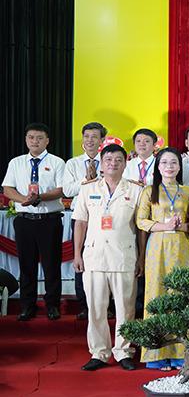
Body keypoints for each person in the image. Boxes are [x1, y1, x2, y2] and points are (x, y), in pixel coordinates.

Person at [72, 144, 144, 371]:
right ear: (101, 164)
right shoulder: (87, 189)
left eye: (118, 160)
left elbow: (141, 228)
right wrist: (77, 254)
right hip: (94, 256)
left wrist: (141, 257)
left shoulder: (136, 190)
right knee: (96, 308)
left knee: (126, 309)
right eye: (109, 159)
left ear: (125, 164)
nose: (113, 163)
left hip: (124, 256)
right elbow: (80, 222)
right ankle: (99, 352)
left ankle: (124, 352)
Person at [136, 147, 189, 370]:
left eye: (173, 163)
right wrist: (164, 226)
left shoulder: (188, 192)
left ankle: (180, 353)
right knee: (156, 294)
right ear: (157, 167)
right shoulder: (149, 191)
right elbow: (141, 221)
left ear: (180, 167)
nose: (169, 167)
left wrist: (181, 226)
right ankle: (156, 354)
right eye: (164, 163)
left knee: (180, 297)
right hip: (158, 246)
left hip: (181, 246)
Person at [2, 122, 65, 321]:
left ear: (47, 141)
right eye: (31, 137)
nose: (34, 141)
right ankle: (27, 306)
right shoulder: (16, 162)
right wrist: (24, 200)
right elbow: (7, 189)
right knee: (26, 265)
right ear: (26, 140)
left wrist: (39, 198)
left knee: (51, 265)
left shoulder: (57, 162)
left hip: (49, 220)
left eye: (39, 138)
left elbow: (61, 190)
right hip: (24, 221)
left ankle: (52, 305)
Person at [63, 122, 107, 320]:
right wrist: (87, 181)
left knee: (105, 259)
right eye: (86, 136)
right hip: (81, 217)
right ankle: (84, 305)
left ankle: (106, 304)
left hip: (103, 217)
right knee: (80, 259)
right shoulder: (72, 163)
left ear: (102, 140)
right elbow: (67, 190)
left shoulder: (109, 161)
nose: (90, 140)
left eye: (94, 137)